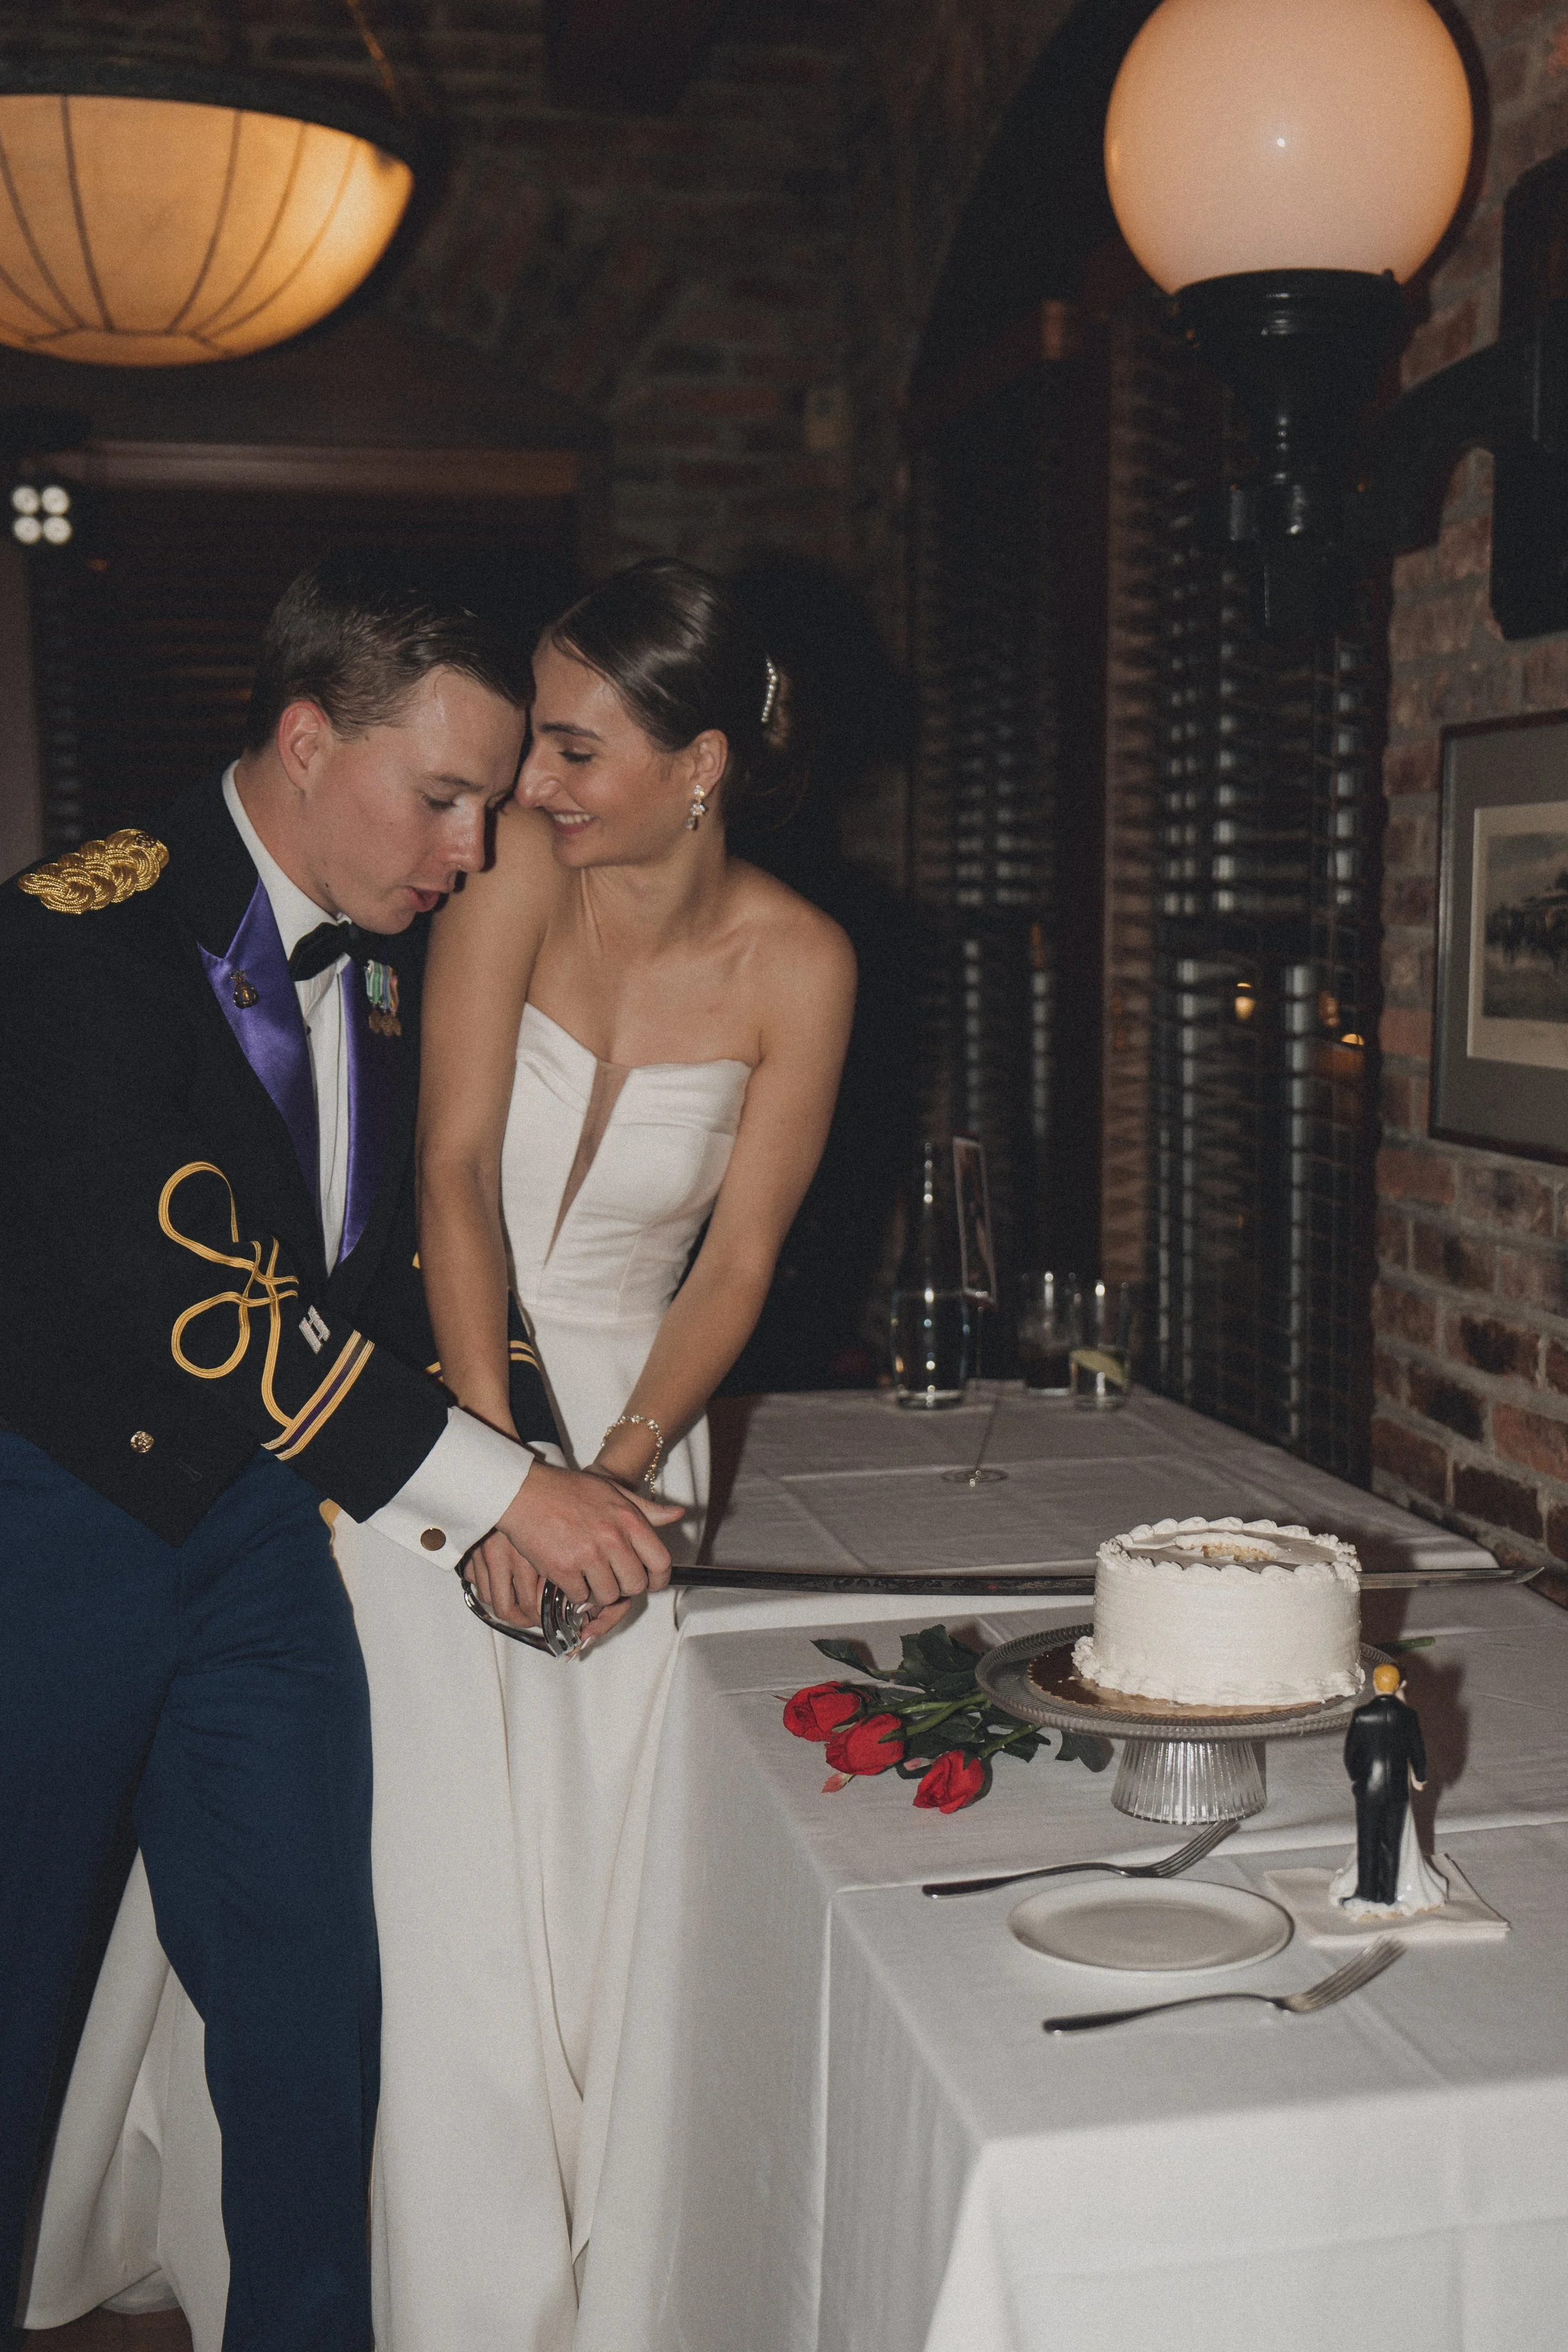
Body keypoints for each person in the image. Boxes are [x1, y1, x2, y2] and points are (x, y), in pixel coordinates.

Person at [11, 554, 681, 2349]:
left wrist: (506, 1495)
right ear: (308, 740)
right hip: (47, 1541)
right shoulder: (80, 934)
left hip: (249, 1554)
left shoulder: (378, 969)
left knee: (311, 2019)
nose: (469, 851)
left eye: (488, 804)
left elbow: (372, 1274)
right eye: (443, 796)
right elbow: (197, 1308)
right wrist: (503, 1489)